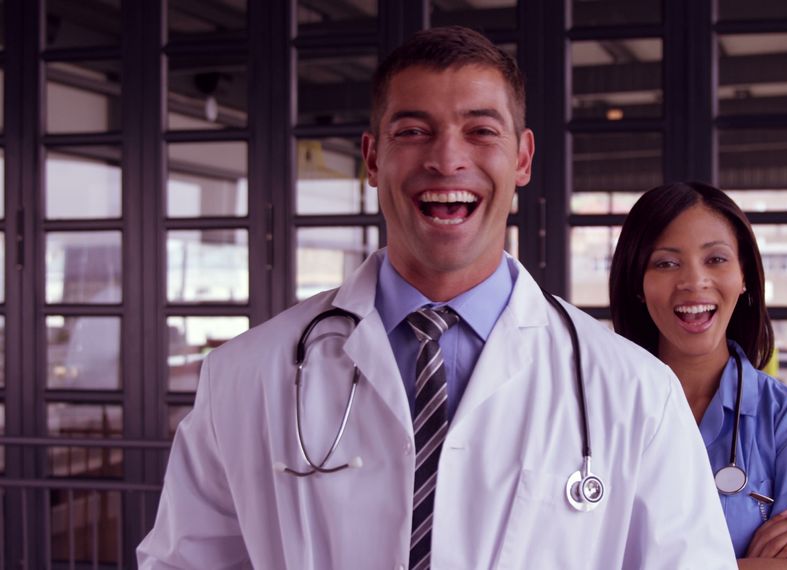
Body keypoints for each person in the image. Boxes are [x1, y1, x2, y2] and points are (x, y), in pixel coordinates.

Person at [137, 28, 738, 569]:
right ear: (373, 159)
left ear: (523, 158)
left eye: (480, 131)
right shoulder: (244, 377)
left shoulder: (634, 390)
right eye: (413, 131)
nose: (447, 158)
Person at [609, 182, 787, 568]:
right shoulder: (598, 410)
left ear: (744, 279)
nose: (693, 281)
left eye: (716, 259)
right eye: (666, 263)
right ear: (638, 284)